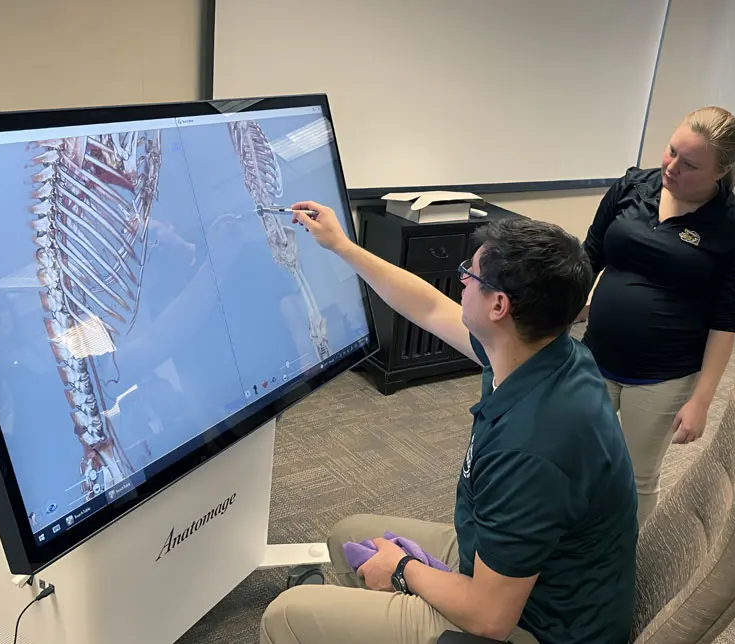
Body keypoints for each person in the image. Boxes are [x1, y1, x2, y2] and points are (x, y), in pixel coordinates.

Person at [259, 201, 639, 644]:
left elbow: (489, 616)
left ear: (499, 305)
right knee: (347, 536)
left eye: (470, 275)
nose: (460, 280)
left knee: (285, 615)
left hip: (537, 626)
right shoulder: (541, 350)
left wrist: (404, 569)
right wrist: (342, 246)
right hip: (529, 573)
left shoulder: (534, 444)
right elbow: (428, 307)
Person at [580, 105, 735, 523]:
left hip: (663, 374)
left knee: (635, 476)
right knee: (579, 458)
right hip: (595, 357)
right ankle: (574, 552)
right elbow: (587, 260)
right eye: (671, 151)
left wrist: (701, 400)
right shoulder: (631, 188)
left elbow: (724, 323)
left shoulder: (732, 229)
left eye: (690, 164)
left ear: (720, 172)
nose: (672, 167)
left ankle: (621, 565)